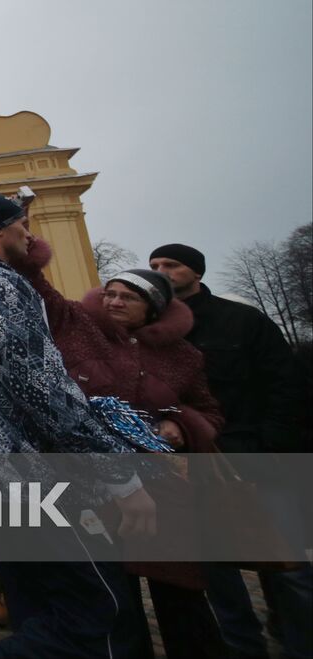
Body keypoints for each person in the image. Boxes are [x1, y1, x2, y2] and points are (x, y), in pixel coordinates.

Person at [0, 190, 157, 658]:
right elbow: (41, 388)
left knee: (36, 609)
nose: (29, 234)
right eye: (21, 224)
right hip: (38, 480)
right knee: (97, 613)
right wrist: (118, 471)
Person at [18, 235, 227, 657]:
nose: (114, 301)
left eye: (128, 296)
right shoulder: (79, 328)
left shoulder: (184, 356)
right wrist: (26, 244)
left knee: (181, 597)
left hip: (162, 487)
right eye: (110, 293)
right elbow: (37, 285)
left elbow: (209, 411)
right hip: (94, 481)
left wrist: (180, 425)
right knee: (115, 596)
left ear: (153, 306)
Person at [148, 243, 310, 659]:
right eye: (155, 266)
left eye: (172, 264)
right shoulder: (153, 332)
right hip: (196, 461)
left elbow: (284, 384)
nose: (162, 271)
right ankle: (242, 647)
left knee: (283, 561)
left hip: (253, 453)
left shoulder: (241, 320)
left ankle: (300, 641)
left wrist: (271, 444)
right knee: (215, 565)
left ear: (196, 273)